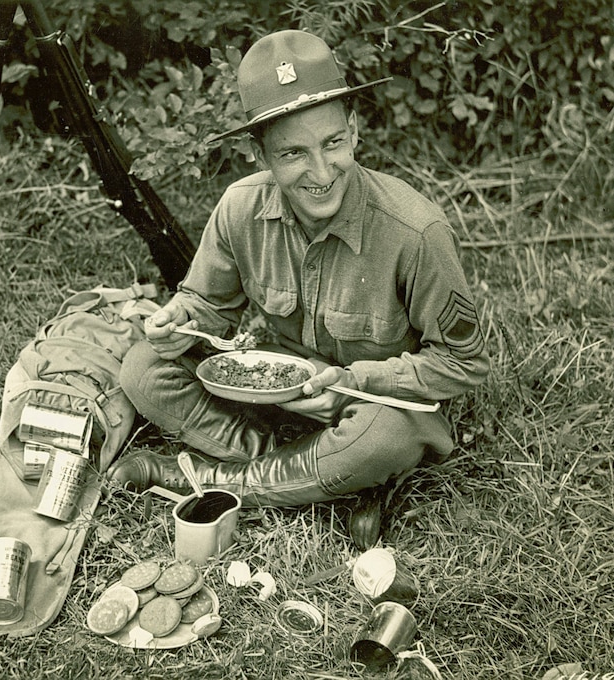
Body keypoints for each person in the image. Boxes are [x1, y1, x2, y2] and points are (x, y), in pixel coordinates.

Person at [107, 29, 489, 546]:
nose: (320, 171)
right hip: (278, 390)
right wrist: (180, 321)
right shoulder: (240, 208)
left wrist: (357, 380)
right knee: (143, 368)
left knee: (385, 438)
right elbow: (206, 308)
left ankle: (194, 477)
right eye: (293, 154)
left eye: (332, 143)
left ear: (354, 131)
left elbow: (461, 363)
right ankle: (320, 475)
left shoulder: (415, 231)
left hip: (366, 398)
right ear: (260, 152)